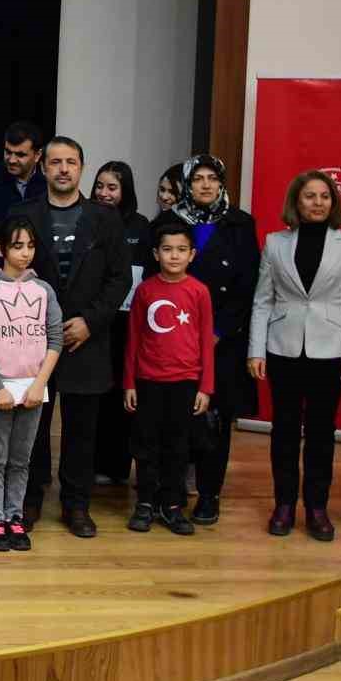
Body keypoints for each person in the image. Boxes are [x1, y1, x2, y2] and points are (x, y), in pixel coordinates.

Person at [12, 136, 132, 537]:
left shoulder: (105, 219)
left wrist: (91, 321)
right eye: (56, 162)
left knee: (82, 430)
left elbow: (118, 280)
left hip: (86, 341)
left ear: (82, 168)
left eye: (72, 163)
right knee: (33, 426)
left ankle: (76, 505)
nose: (63, 169)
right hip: (33, 341)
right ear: (43, 167)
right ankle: (29, 499)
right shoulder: (25, 214)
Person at [249, 170, 341, 542]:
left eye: (324, 197)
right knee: (283, 430)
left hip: (330, 351)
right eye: (309, 196)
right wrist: (256, 349)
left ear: (333, 203)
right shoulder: (274, 243)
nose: (317, 202)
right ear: (296, 202)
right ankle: (284, 504)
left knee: (321, 432)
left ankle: (317, 508)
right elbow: (262, 300)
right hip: (282, 348)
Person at [159, 153, 260, 527]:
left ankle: (209, 494)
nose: (205, 184)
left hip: (224, 339)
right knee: (176, 415)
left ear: (221, 183)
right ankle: (171, 491)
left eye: (212, 178)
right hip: (174, 337)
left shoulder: (240, 224)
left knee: (216, 419)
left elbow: (249, 285)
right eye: (198, 178)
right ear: (187, 183)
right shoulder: (169, 222)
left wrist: (217, 331)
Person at [0, 216, 63, 553]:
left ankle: (14, 517)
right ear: (0, 249)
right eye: (17, 246)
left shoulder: (44, 290)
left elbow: (55, 339)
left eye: (30, 246)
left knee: (21, 460)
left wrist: (40, 384)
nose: (25, 253)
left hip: (33, 389)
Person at [124, 221, 215, 536]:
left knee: (178, 446)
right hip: (148, 381)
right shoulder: (146, 290)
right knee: (146, 444)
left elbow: (206, 341)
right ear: (155, 253)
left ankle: (172, 504)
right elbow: (133, 339)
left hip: (185, 383)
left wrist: (205, 387)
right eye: (167, 250)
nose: (173, 256)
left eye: (180, 250)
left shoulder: (199, 292)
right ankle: (145, 502)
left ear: (192, 254)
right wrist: (129, 383)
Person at [90, 160, 149, 486]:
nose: (104, 193)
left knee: (122, 396)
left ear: (125, 191)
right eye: (100, 185)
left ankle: (117, 466)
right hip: (97, 321)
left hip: (129, 324)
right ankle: (94, 463)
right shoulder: (88, 220)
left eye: (112, 187)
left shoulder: (141, 227)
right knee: (95, 395)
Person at [0, 121, 47, 264]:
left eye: (20, 154)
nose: (12, 160)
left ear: (38, 155)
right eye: (8, 152)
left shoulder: (47, 186)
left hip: (37, 272)